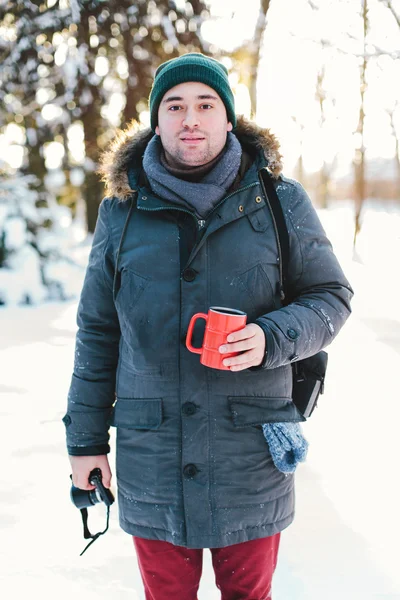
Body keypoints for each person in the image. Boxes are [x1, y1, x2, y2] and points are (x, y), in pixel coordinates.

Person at [63, 53, 353, 599]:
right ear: (157, 120)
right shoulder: (121, 212)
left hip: (249, 453)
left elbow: (330, 296)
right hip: (153, 454)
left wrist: (271, 337)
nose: (189, 118)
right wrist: (84, 443)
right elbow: (98, 331)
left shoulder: (279, 200)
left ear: (228, 118)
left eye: (205, 104)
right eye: (175, 106)